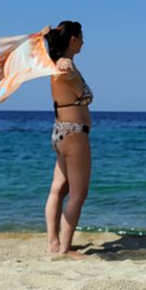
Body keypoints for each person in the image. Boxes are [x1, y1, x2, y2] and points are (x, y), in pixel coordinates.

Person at [43, 21, 94, 259]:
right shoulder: (64, 65)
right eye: (81, 37)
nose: (83, 41)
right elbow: (64, 68)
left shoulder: (54, 64)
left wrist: (47, 40)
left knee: (58, 190)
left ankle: (53, 243)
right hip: (74, 134)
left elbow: (53, 60)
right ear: (72, 39)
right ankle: (64, 249)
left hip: (60, 132)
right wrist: (64, 62)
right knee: (78, 194)